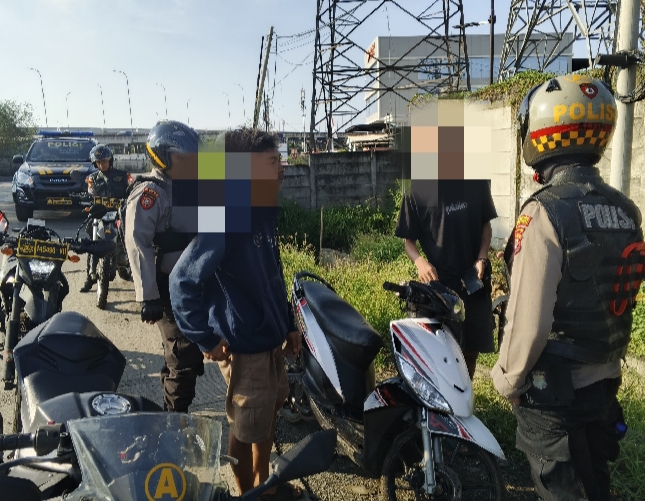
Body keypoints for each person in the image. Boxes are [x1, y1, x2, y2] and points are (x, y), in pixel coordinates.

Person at [492, 74, 644, 501]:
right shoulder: (625, 210)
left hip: (555, 392)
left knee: (562, 490)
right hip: (604, 382)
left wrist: (507, 381)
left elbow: (530, 321)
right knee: (595, 483)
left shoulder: (545, 213)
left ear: (542, 134)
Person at [169, 128, 302, 500]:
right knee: (245, 428)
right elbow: (182, 281)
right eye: (272, 161)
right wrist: (206, 338)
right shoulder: (226, 216)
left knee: (267, 415)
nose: (282, 168)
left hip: (270, 339)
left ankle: (264, 485)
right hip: (245, 347)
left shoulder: (262, 212)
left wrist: (289, 323)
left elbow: (272, 273)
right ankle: (248, 494)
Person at [124, 120, 204, 413]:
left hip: (190, 284)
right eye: (183, 158)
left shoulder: (185, 187)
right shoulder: (150, 192)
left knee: (181, 352)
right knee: (184, 357)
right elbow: (137, 241)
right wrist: (148, 296)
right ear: (163, 157)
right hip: (166, 288)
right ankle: (174, 419)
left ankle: (172, 399)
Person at [395, 176, 497, 379]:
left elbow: (486, 224)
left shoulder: (476, 183)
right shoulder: (416, 192)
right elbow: (409, 242)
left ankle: (465, 389)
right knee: (442, 353)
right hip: (439, 288)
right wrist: (420, 262)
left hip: (473, 281)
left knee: (470, 351)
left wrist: (482, 257)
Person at [80, 144, 131, 293]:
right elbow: (90, 194)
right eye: (98, 162)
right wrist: (84, 198)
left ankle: (131, 262)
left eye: (104, 161)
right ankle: (89, 277)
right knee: (92, 239)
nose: (101, 164)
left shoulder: (123, 175)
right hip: (100, 214)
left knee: (130, 233)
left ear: (110, 160)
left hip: (118, 214)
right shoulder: (92, 178)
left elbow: (132, 189)